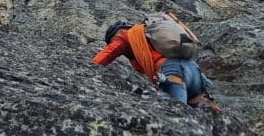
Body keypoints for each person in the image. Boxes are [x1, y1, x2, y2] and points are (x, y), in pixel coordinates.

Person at [92, 19, 222, 110]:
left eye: (111, 41)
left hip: (173, 71)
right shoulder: (148, 34)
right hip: (194, 71)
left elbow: (108, 53)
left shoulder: (126, 36)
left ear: (118, 33)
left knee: (178, 114)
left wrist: (89, 67)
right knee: (207, 109)